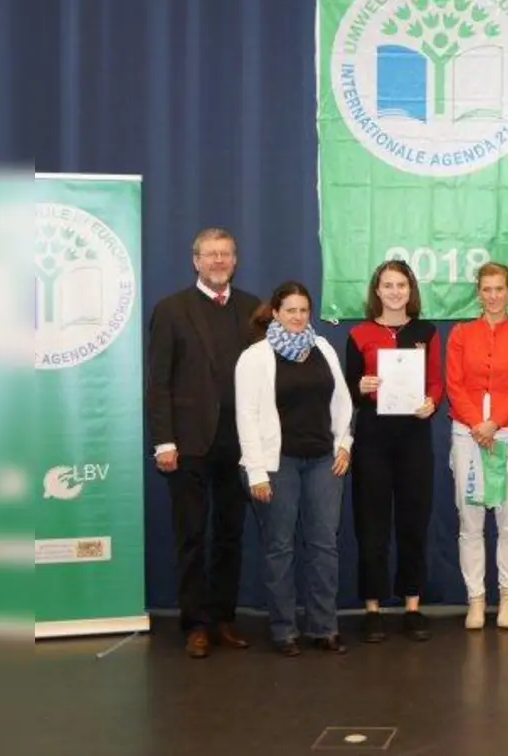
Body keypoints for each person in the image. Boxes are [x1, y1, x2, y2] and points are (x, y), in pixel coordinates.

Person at [145, 228, 260, 657]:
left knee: (230, 535)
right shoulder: (171, 309)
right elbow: (158, 384)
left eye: (225, 254)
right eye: (210, 254)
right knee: (191, 536)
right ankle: (194, 624)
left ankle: (223, 618)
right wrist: (163, 442)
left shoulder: (253, 309)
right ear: (196, 261)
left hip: (239, 444)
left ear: (235, 260)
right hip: (188, 443)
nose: (217, 261)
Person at [236, 282, 355, 656]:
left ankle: (324, 627)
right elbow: (247, 417)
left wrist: (344, 444)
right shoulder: (255, 357)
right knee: (280, 548)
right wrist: (256, 471)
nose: (298, 317)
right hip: (276, 465)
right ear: (275, 312)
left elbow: (343, 402)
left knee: (324, 546)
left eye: (304, 310)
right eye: (291, 310)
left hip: (323, 460)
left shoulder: (322, 348)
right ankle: (284, 629)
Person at [344, 260, 442, 643]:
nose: (395, 291)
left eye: (402, 285)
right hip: (373, 438)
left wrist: (432, 402)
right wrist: (362, 386)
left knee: (413, 522)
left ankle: (412, 606)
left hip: (414, 437)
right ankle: (372, 608)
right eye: (388, 285)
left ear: (411, 290)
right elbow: (348, 389)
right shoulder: (359, 333)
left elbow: (436, 381)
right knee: (371, 525)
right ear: (377, 291)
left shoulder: (426, 332)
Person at [446, 262, 508, 631]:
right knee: (470, 522)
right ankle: (476, 599)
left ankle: (507, 597)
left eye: (500, 289)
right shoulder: (460, 334)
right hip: (467, 434)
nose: (494, 296)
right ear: (478, 292)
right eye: (487, 289)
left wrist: (495, 423)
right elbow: (454, 384)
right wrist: (476, 424)